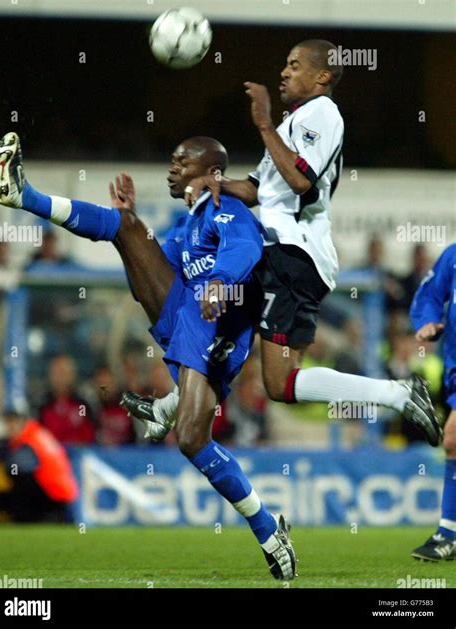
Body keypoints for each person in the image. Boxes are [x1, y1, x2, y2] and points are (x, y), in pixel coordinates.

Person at [0, 131, 297, 580]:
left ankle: (268, 530)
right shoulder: (186, 226)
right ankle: (25, 195)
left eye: (183, 161)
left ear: (212, 172)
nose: (173, 167)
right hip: (186, 318)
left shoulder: (225, 208)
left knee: (193, 440)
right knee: (126, 226)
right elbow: (151, 262)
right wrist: (130, 225)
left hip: (221, 324)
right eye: (172, 159)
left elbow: (246, 249)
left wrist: (219, 281)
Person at [125, 39, 441, 450]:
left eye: (295, 65)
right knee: (241, 342)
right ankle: (172, 406)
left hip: (292, 255)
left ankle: (398, 394)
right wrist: (213, 182)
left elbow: (299, 180)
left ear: (323, 75)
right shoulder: (295, 123)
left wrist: (263, 124)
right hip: (285, 256)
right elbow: (257, 190)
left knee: (264, 362)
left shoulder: (322, 114)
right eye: (285, 64)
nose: (284, 72)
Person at [409, 244, 456, 561]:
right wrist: (426, 321)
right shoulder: (453, 256)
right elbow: (428, 294)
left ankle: (448, 534)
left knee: (453, 439)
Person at [0, 406, 78, 523]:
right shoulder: (38, 433)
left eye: (14, 421)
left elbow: (17, 465)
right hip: (62, 494)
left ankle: (30, 519)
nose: (11, 426)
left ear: (24, 421)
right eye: (8, 421)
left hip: (52, 496)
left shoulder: (30, 440)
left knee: (5, 489)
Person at [38, 355, 96, 445]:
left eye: (64, 373)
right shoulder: (42, 405)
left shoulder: (82, 404)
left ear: (73, 375)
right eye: (56, 373)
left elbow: (90, 436)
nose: (60, 378)